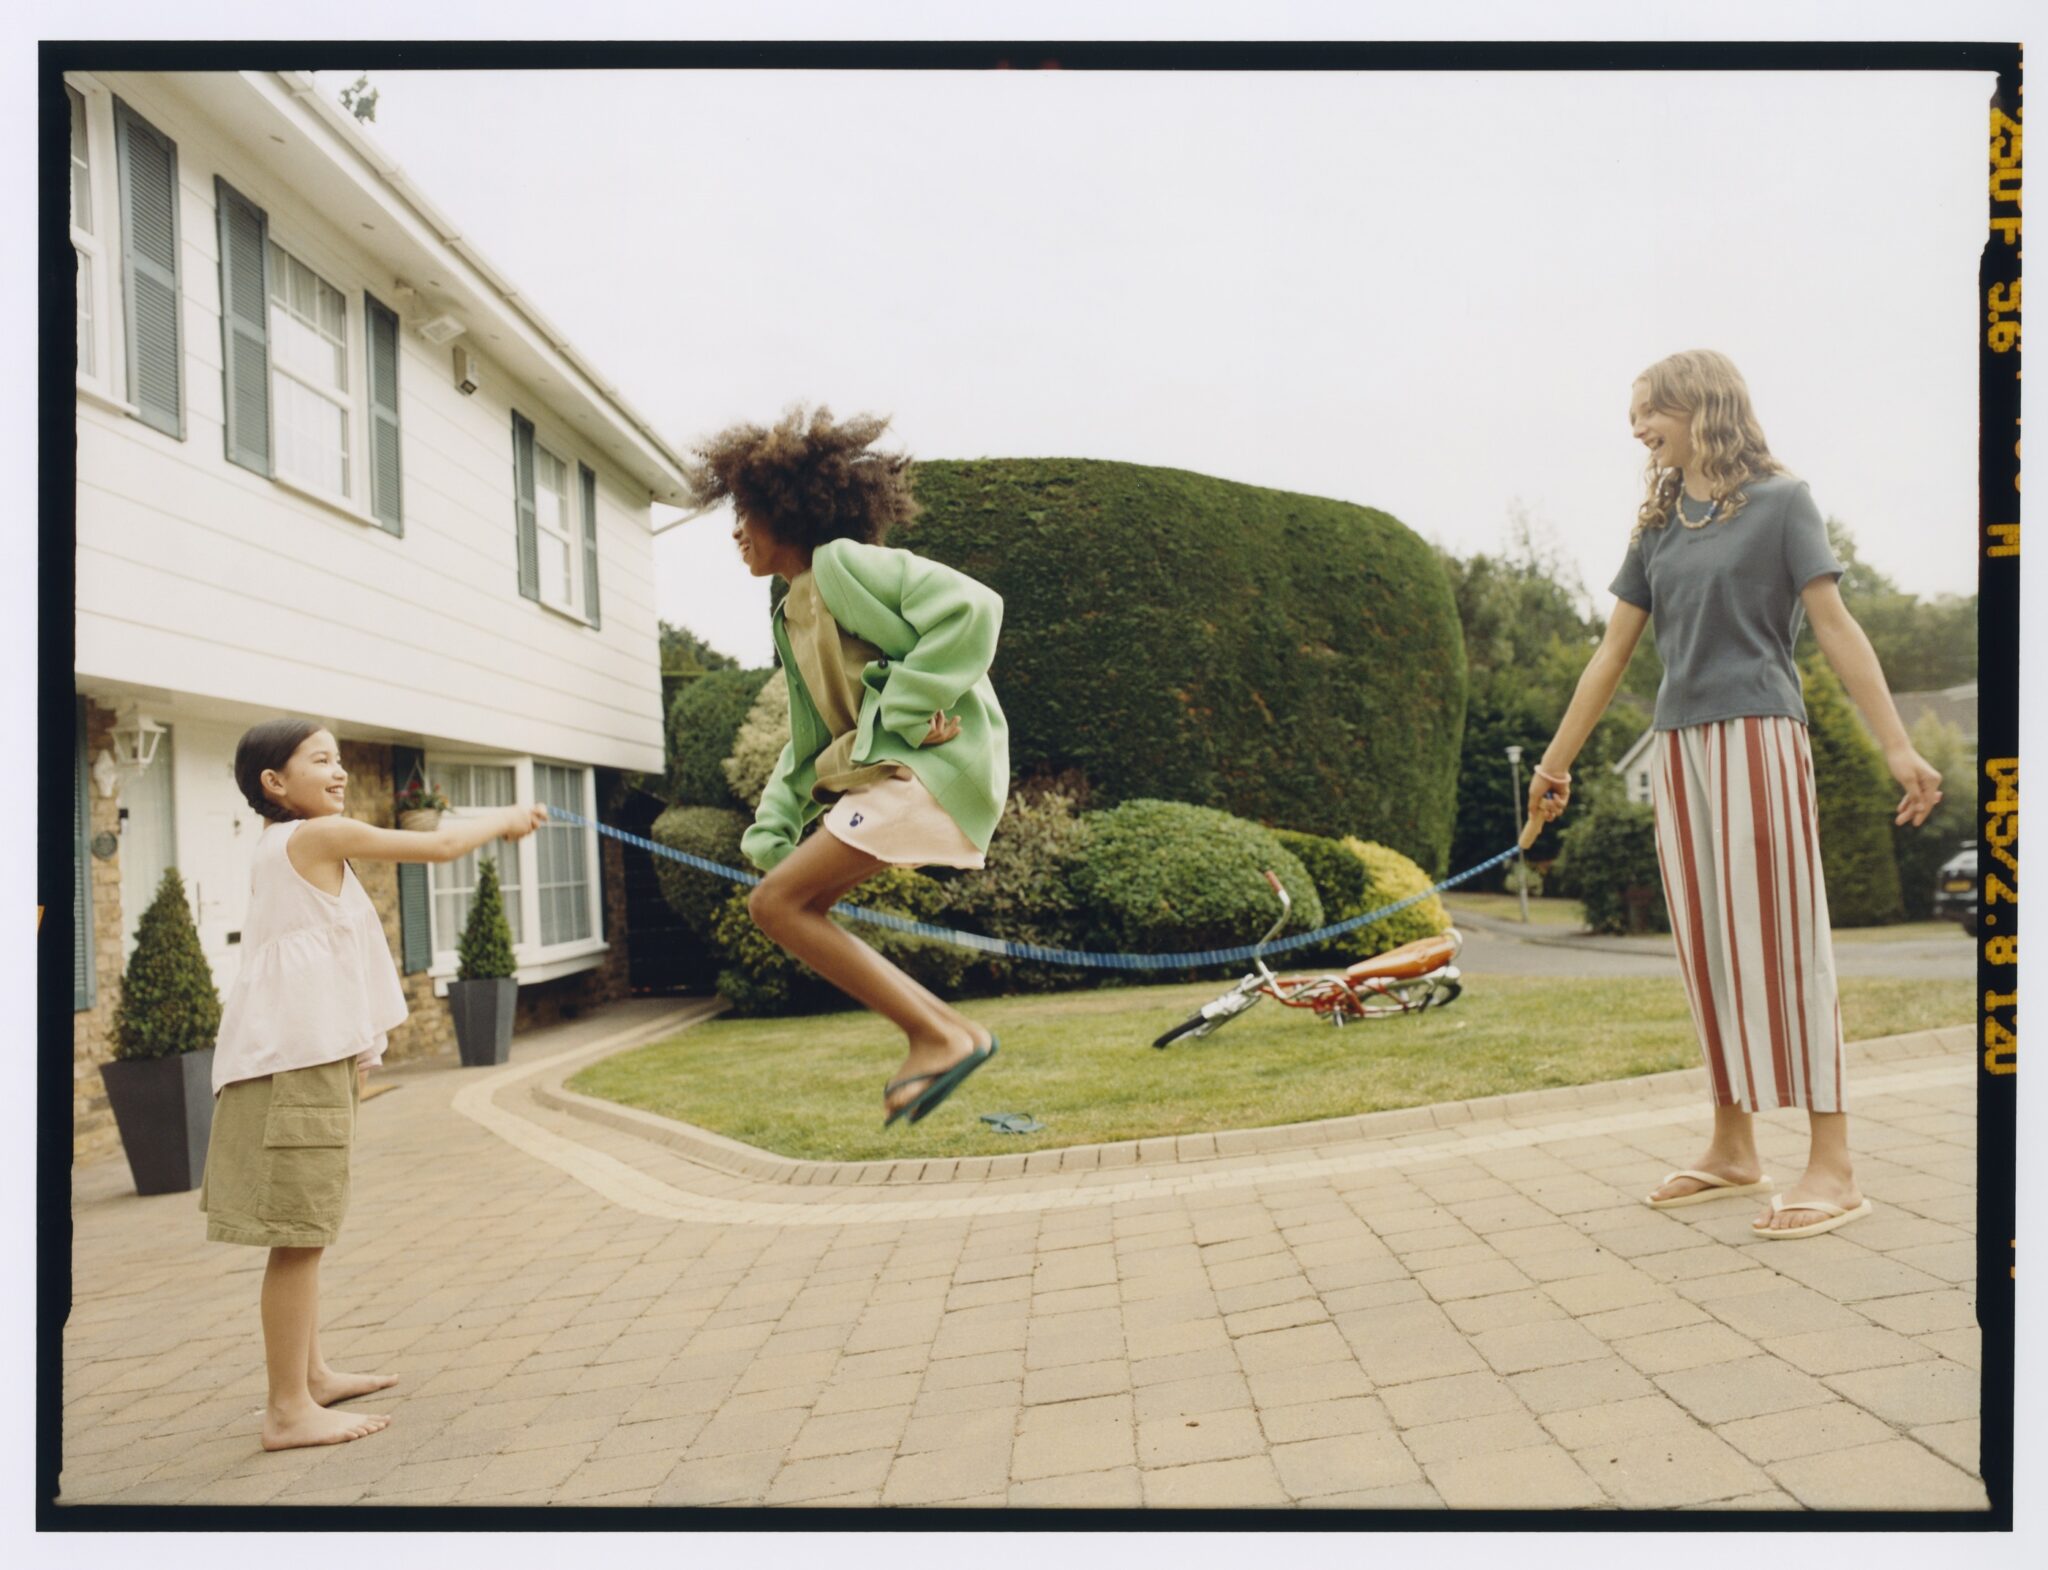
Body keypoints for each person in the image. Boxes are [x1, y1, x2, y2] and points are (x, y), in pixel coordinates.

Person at [1526, 350, 1943, 1239]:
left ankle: (1834, 1164)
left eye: (1648, 411)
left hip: (1760, 737)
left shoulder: (1784, 505)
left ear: (1698, 404)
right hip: (1679, 750)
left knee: (1787, 943)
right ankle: (1734, 1147)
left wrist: (1899, 747)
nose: (1637, 429)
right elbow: (1613, 656)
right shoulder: (1658, 525)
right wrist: (1554, 764)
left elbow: (1834, 626)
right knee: (1708, 947)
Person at [205, 718, 545, 1448]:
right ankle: (287, 1410)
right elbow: (439, 846)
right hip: (292, 1066)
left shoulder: (285, 846)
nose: (338, 773)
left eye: (338, 762)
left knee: (308, 1231)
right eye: (320, 761)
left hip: (300, 1061)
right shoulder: (313, 838)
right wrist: (508, 818)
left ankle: (312, 1377)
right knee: (299, 1237)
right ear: (274, 783)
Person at [686, 406, 1009, 1126]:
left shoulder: (844, 566)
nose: (736, 530)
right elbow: (807, 744)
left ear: (786, 508)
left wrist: (905, 707)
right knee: (790, 902)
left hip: (932, 773)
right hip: (899, 778)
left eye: (745, 512)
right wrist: (773, 834)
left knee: (775, 907)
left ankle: (937, 1037)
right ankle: (954, 1035)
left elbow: (973, 608)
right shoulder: (792, 610)